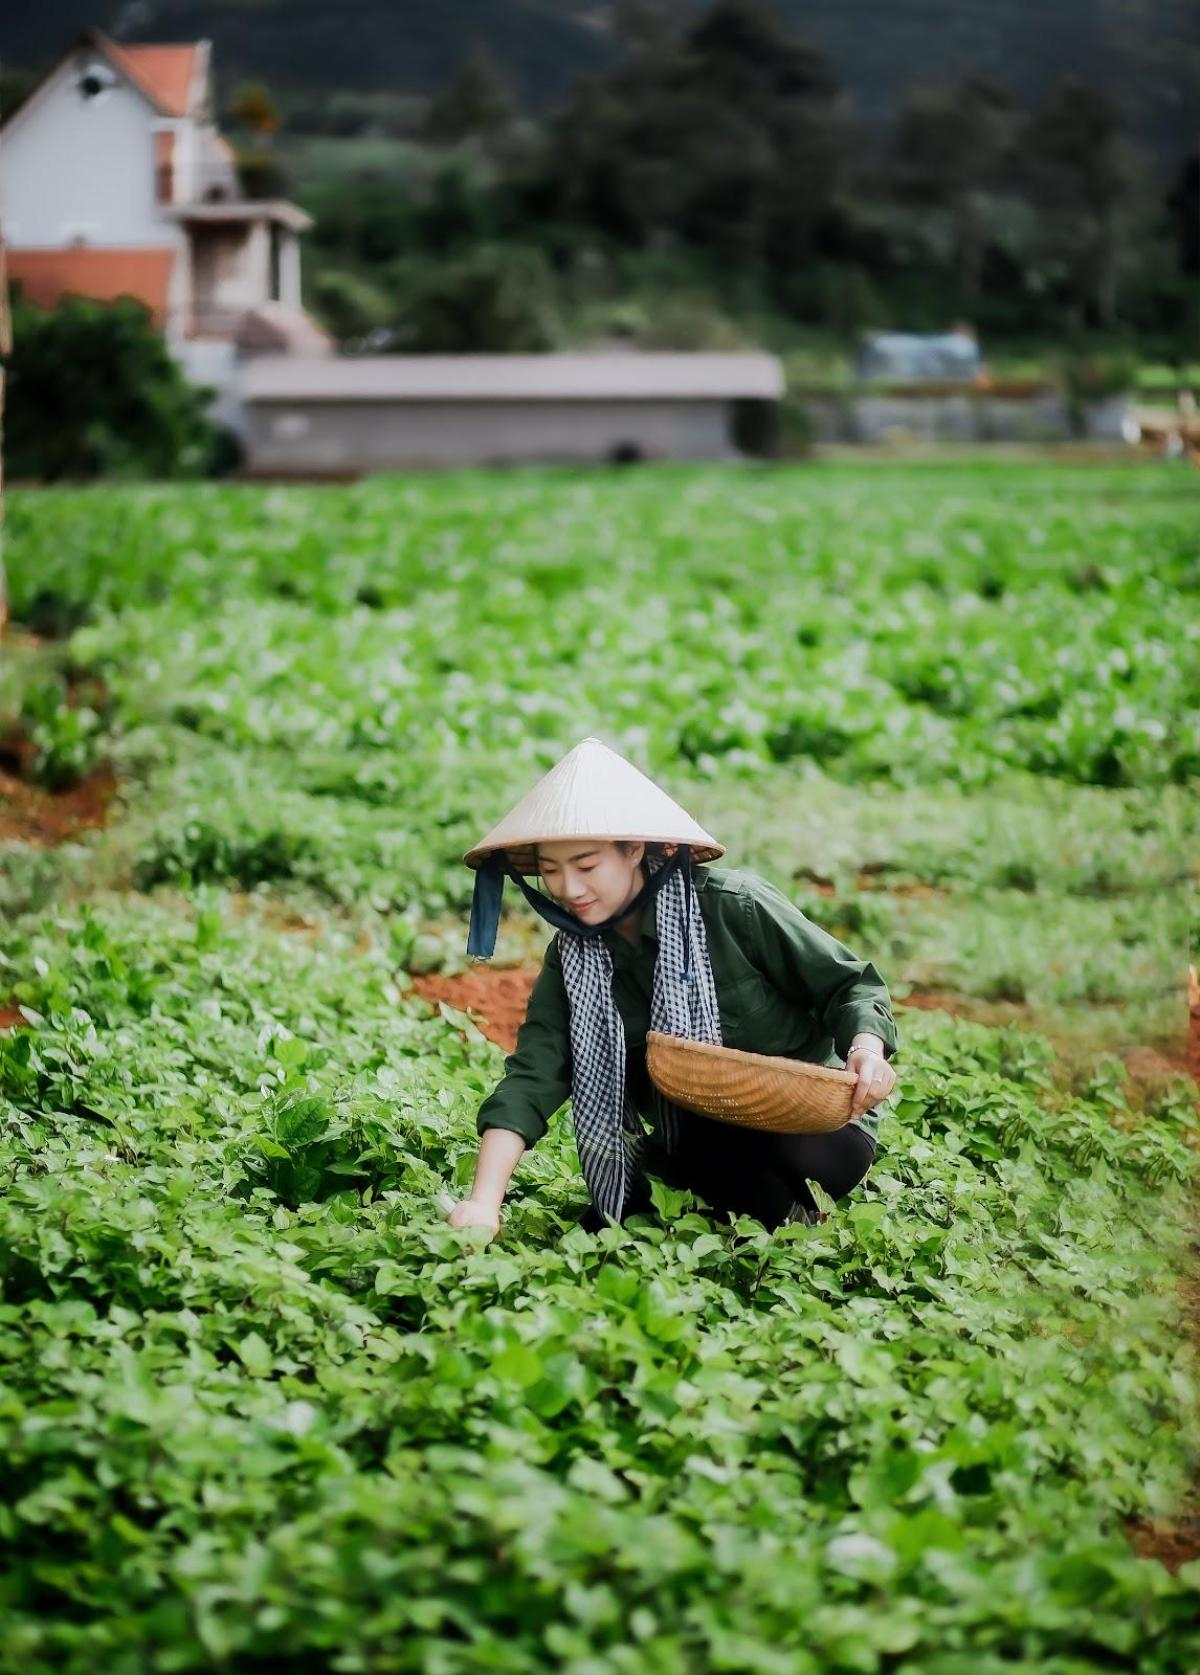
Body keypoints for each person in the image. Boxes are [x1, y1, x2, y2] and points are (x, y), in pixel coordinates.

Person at [446, 738, 898, 1239]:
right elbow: (534, 1075)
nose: (568, 888)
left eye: (587, 865)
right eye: (551, 870)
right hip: (696, 1140)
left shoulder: (733, 908)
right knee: (612, 1222)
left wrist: (867, 1050)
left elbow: (850, 984)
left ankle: (773, 1220)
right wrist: (483, 1201)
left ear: (634, 849)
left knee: (730, 1169)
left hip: (813, 1127)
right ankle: (753, 1215)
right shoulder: (571, 958)